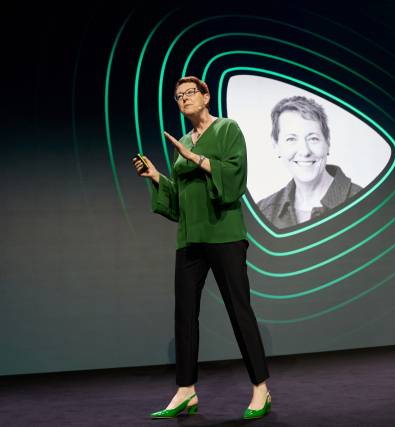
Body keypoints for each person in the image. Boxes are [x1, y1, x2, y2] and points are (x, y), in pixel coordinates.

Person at [132, 76, 271, 420]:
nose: (183, 99)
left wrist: (194, 158)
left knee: (239, 310)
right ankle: (186, 390)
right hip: (190, 239)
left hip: (224, 235)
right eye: (178, 96)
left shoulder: (227, 129)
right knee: (184, 314)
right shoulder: (182, 141)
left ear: (206, 96)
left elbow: (235, 176)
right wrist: (157, 177)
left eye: (190, 93)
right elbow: (181, 201)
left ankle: (261, 389)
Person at [257, 96, 362, 229]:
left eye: (313, 139)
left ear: (327, 142)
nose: (305, 151)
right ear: (276, 146)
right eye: (291, 139)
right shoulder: (263, 213)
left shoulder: (364, 204)